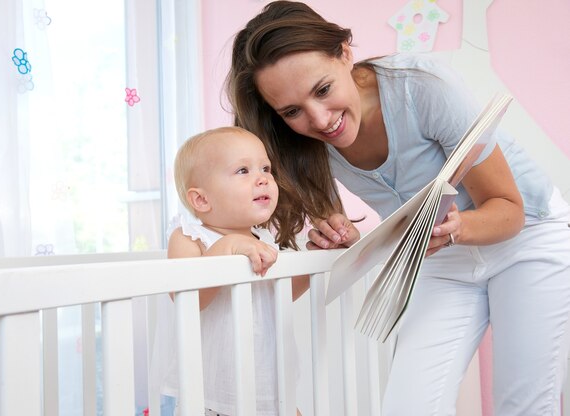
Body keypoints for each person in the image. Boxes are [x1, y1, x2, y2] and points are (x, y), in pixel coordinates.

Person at [225, 2, 570, 415]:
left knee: (524, 403)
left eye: (322, 90)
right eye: (292, 111)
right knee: (409, 404)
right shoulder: (304, 143)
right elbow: (351, 223)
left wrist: (450, 230)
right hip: (443, 257)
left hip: (527, 234)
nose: (320, 120)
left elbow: (508, 210)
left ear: (346, 53)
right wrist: (343, 237)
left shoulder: (421, 87)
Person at [163, 126, 307, 416]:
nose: (263, 178)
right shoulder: (190, 238)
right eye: (243, 170)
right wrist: (227, 247)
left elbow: (280, 293)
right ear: (201, 200)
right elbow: (186, 299)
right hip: (212, 395)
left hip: (268, 385)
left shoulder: (263, 241)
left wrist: (312, 262)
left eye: (266, 168)